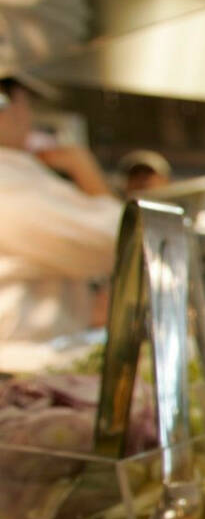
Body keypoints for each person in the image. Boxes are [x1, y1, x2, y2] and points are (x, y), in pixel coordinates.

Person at [0, 66, 122, 342]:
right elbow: (120, 241)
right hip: (16, 364)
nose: (28, 118)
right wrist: (85, 169)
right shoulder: (8, 183)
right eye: (25, 105)